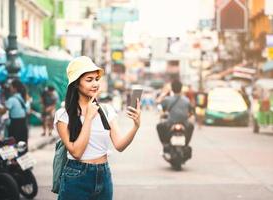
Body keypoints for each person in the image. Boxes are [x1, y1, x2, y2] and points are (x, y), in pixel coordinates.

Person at [54, 56, 141, 200]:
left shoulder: (106, 110)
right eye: (89, 80)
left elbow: (119, 145)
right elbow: (76, 152)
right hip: (76, 176)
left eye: (96, 79)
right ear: (76, 84)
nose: (95, 84)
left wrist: (135, 126)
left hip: (103, 174)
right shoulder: (63, 115)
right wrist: (88, 117)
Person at [156, 80, 194, 146]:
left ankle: (164, 144)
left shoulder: (168, 99)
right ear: (181, 88)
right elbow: (191, 111)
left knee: (159, 126)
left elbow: (158, 102)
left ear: (172, 89)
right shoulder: (186, 100)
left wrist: (164, 93)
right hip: (184, 123)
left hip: (170, 123)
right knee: (191, 126)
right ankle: (186, 143)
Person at [0, 79, 29, 144]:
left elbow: (3, 111)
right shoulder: (23, 98)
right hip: (23, 124)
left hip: (15, 125)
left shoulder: (12, 99)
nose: (9, 89)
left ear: (15, 89)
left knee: (13, 144)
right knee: (22, 144)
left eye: (11, 87)